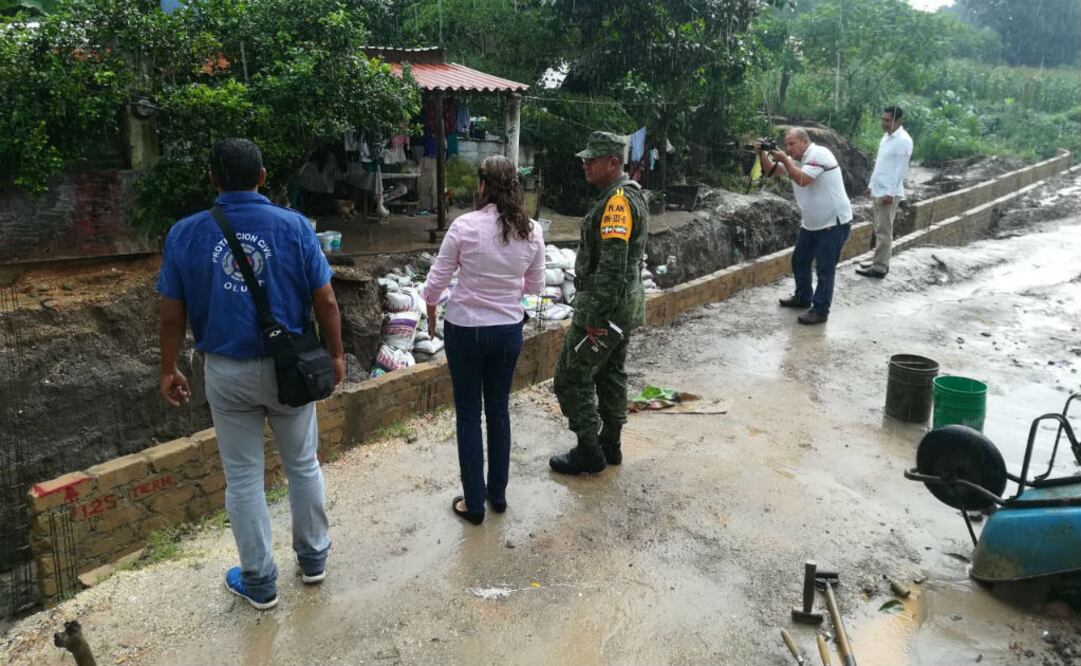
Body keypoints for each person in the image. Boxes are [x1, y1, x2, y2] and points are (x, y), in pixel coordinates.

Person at [157, 138, 345, 610]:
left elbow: (170, 313)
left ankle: (259, 581)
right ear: (262, 176)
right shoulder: (295, 227)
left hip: (226, 371)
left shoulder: (184, 234)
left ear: (212, 179)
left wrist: (168, 366)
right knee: (303, 463)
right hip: (292, 370)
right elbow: (325, 300)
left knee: (243, 478)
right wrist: (337, 355)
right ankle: (314, 560)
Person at [421, 155, 545, 525]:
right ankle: (498, 496)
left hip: (466, 330)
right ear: (515, 188)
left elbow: (436, 282)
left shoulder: (464, 226)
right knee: (498, 411)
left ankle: (473, 504)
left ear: (482, 186)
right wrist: (504, 286)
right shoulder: (532, 231)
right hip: (507, 331)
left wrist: (430, 314)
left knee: (468, 416)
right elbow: (535, 286)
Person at [549, 132, 649, 475]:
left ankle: (589, 449)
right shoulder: (621, 195)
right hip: (624, 308)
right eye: (585, 158)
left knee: (569, 377)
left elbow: (611, 265)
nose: (585, 163)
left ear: (613, 163)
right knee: (610, 374)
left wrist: (595, 317)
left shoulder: (618, 201)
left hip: (605, 309)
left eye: (593, 159)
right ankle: (611, 444)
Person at [758, 128, 853, 325]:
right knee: (800, 260)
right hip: (811, 223)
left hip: (832, 223)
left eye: (792, 144)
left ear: (805, 141)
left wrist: (784, 159)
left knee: (825, 269)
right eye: (786, 145)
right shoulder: (797, 158)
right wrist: (761, 152)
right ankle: (803, 297)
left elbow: (802, 180)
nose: (788, 148)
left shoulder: (819, 154)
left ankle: (820, 310)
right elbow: (770, 171)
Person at [857, 106, 913, 279]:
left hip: (888, 193)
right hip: (879, 189)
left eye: (887, 120)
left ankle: (880, 267)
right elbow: (880, 163)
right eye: (883, 119)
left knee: (884, 230)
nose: (884, 123)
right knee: (879, 228)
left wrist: (891, 192)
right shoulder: (886, 137)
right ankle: (877, 260)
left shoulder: (904, 140)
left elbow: (900, 170)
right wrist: (871, 184)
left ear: (898, 121)